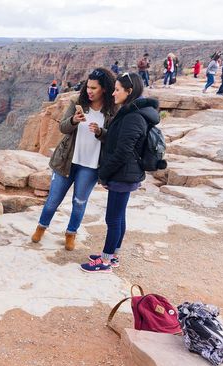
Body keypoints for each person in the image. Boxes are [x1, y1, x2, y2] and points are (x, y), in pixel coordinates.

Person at [80, 72, 158, 273]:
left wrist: (104, 174)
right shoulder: (131, 112)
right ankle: (113, 255)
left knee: (113, 219)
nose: (113, 94)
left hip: (123, 174)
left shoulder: (132, 117)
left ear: (129, 92)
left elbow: (123, 152)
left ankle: (105, 262)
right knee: (119, 216)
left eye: (117, 90)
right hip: (126, 173)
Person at [32, 68, 117, 250]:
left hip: (91, 165)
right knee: (53, 200)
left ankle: (71, 233)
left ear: (104, 89)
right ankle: (41, 227)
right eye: (88, 86)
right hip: (67, 160)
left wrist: (101, 132)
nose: (89, 91)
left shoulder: (111, 110)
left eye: (94, 88)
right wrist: (73, 120)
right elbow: (63, 127)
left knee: (79, 203)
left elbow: (115, 138)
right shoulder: (78, 102)